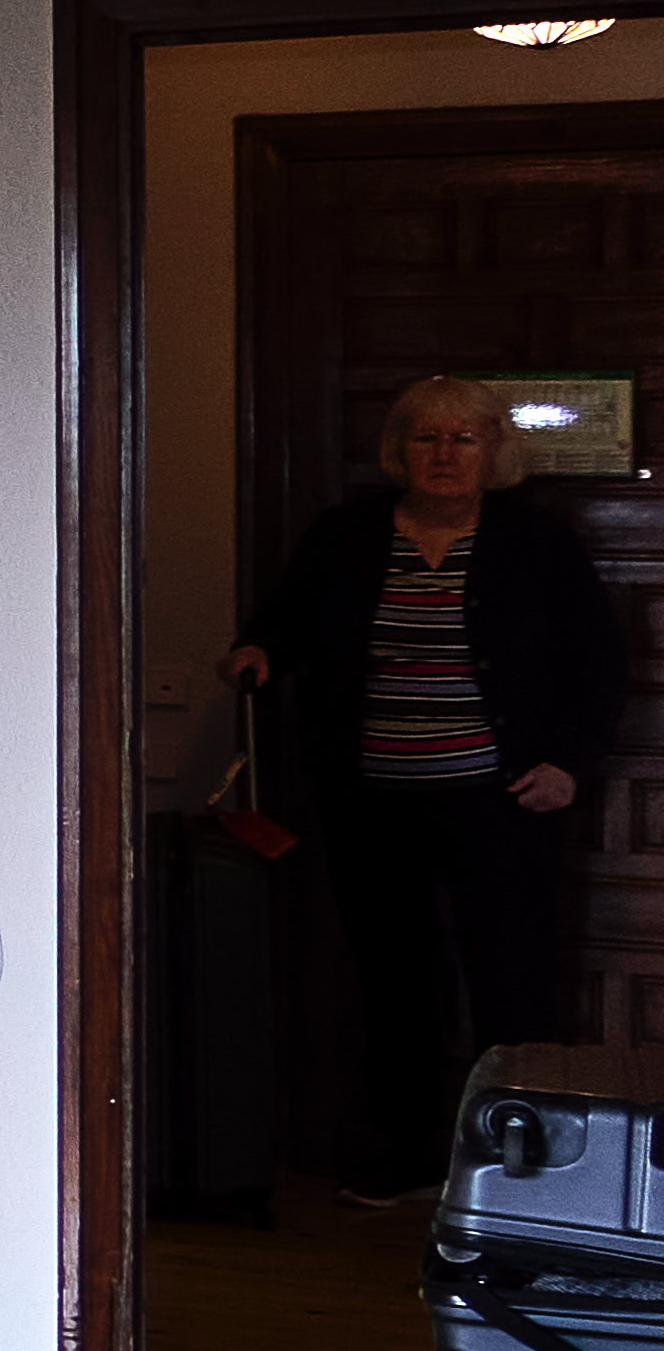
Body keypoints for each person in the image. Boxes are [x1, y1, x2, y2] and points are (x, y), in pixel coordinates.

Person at [233, 374, 622, 1200]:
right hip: (372, 801)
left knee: (510, 978)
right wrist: (259, 649)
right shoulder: (345, 534)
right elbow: (289, 617)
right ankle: (404, 1156)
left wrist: (568, 764)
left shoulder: (536, 542)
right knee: (392, 980)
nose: (443, 454)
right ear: (398, 449)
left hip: (500, 801)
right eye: (425, 437)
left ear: (493, 452)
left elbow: (597, 664)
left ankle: (521, 1166)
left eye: (462, 438)